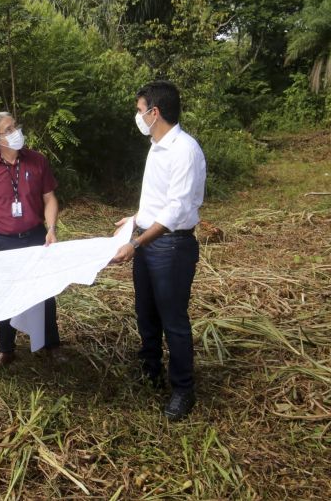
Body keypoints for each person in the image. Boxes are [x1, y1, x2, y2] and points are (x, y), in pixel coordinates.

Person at [111, 81, 206, 421]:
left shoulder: (185, 150)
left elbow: (176, 211)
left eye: (140, 111)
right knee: (146, 312)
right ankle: (150, 368)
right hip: (150, 240)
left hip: (171, 247)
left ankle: (183, 389)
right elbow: (157, 200)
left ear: (155, 112)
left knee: (174, 320)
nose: (138, 116)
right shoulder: (157, 145)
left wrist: (135, 243)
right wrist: (136, 218)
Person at [0, 111, 68, 368]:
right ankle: (6, 350)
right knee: (6, 294)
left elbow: (50, 198)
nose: (16, 132)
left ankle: (51, 345)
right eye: (9, 130)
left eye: (16, 127)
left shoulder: (37, 161)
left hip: (36, 236)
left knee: (45, 291)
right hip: (5, 241)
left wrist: (52, 228)